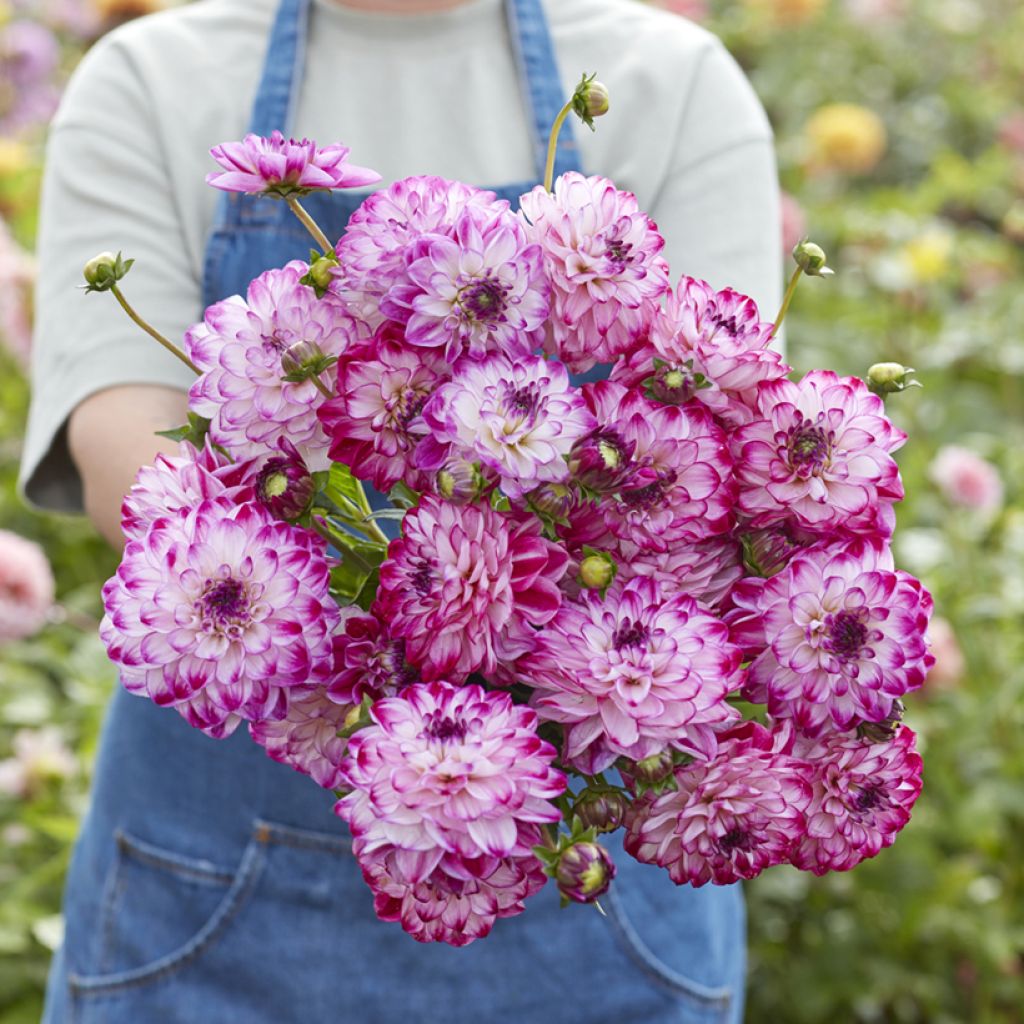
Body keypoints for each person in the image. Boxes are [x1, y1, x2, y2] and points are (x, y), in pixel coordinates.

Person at [20, 0, 782, 1021]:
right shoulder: (151, 76)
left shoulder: (668, 79)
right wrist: (421, 610)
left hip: (594, 908)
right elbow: (133, 459)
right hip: (217, 901)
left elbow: (722, 463)